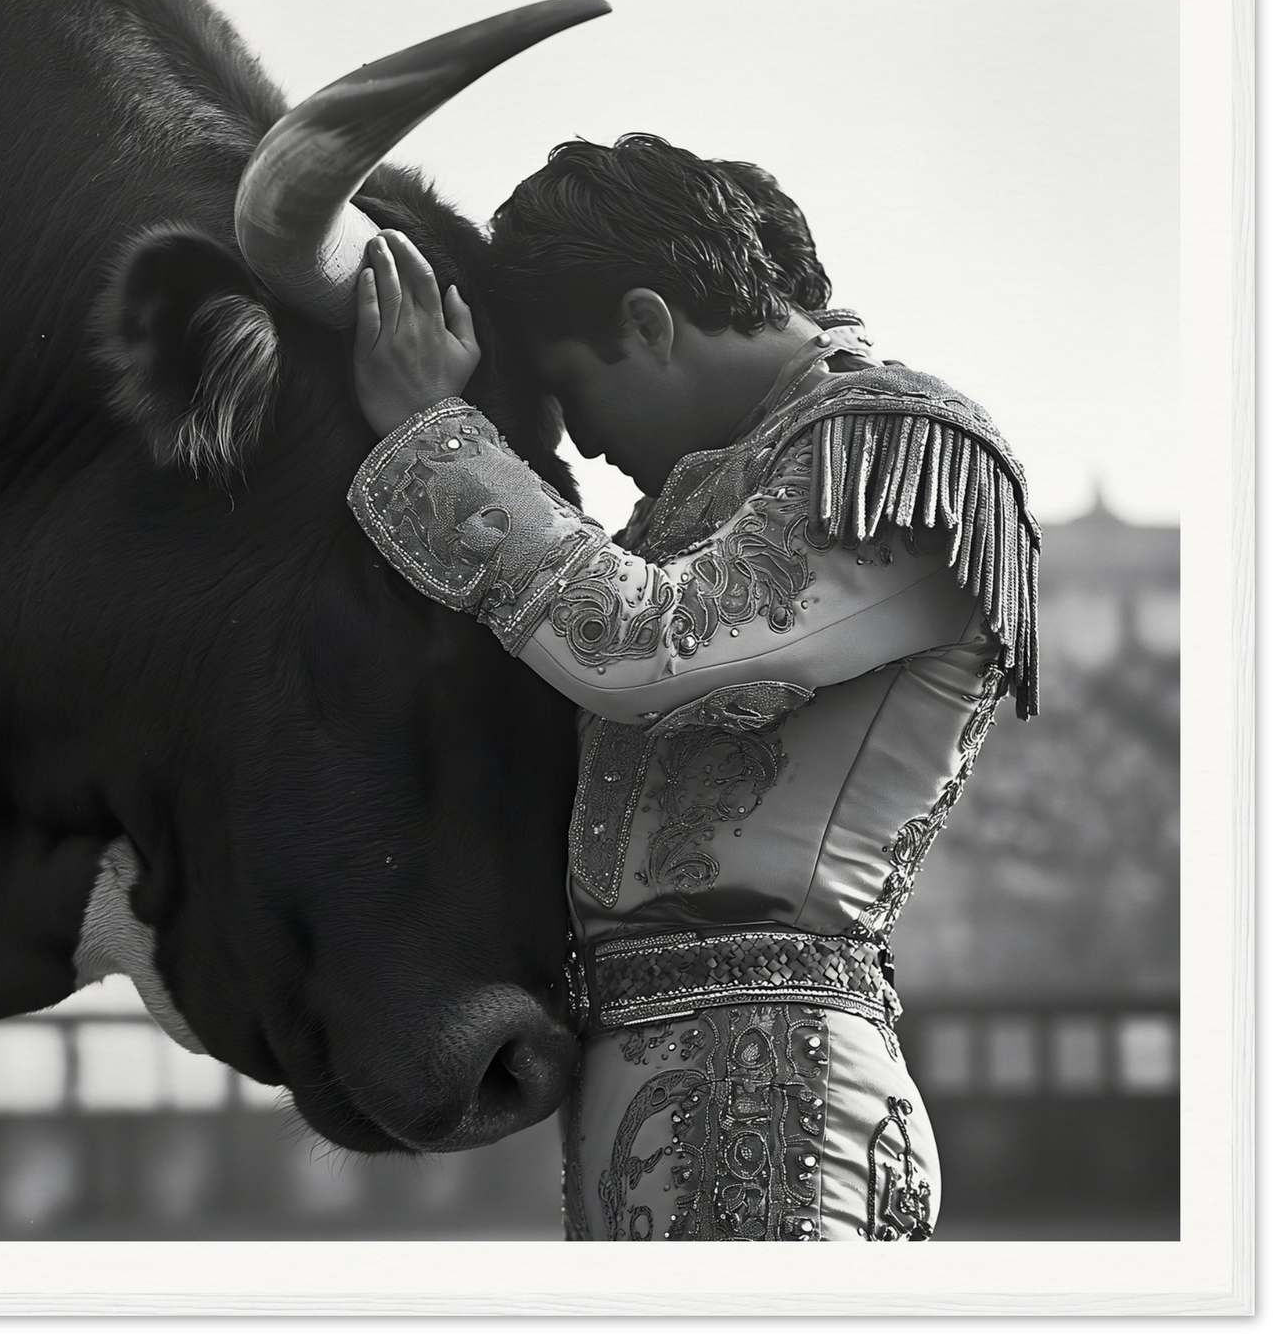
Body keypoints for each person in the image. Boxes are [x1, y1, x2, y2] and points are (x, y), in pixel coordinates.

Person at [345, 134, 1039, 1241]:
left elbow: (643, 647)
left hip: (774, 1083)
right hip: (661, 1081)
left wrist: (437, 439)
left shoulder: (896, 448)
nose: (578, 439)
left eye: (570, 388)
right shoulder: (707, 493)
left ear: (646, 320)